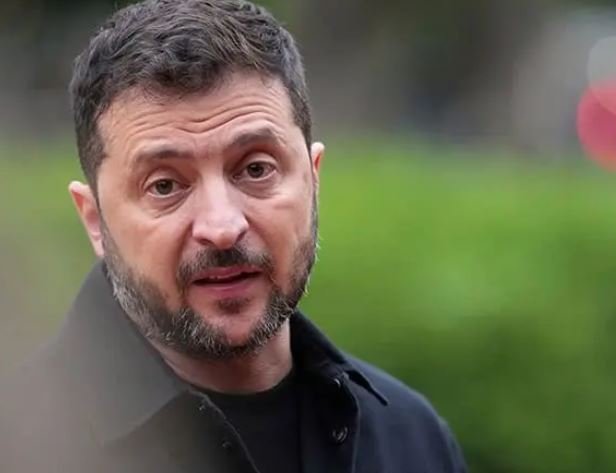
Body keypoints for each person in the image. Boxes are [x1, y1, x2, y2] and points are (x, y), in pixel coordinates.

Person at [0, 1, 468, 472]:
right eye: (164, 186)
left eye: (256, 169)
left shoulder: (411, 439)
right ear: (95, 220)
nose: (222, 228)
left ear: (313, 179)